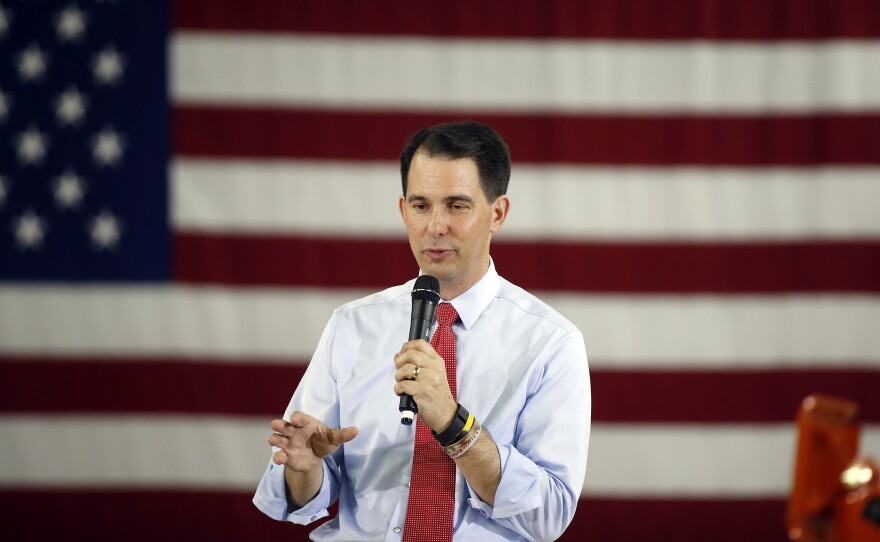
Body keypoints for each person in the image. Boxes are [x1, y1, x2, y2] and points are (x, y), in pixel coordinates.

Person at [253, 121, 590, 541]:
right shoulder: (352, 325)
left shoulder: (551, 343)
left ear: (497, 214)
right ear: (403, 211)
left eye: (456, 206)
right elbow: (303, 495)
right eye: (420, 205)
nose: (435, 226)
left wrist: (452, 422)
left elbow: (549, 515)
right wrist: (305, 469)